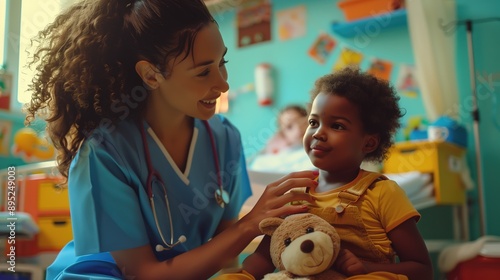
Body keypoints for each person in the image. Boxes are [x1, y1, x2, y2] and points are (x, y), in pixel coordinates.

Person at [24, 0, 319, 279]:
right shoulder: (104, 154)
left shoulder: (225, 137)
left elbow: (225, 247)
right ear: (151, 75)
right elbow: (145, 274)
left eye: (222, 62)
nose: (223, 83)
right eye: (204, 71)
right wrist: (250, 225)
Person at [243, 67, 433, 280]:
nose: (318, 133)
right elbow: (264, 257)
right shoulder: (297, 194)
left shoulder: (382, 193)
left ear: (369, 142)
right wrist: (241, 277)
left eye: (337, 126)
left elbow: (422, 270)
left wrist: (365, 268)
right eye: (313, 122)